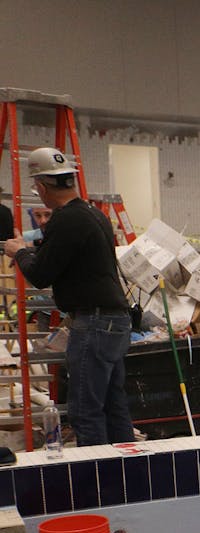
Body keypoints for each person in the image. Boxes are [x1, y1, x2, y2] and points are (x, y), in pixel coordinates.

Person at [2, 148, 133, 447]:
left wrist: (19, 251)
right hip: (115, 322)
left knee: (85, 412)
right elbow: (68, 258)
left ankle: (97, 484)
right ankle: (128, 479)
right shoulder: (92, 215)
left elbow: (42, 274)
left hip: (95, 323)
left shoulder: (66, 220)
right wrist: (32, 252)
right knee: (114, 407)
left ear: (43, 187)